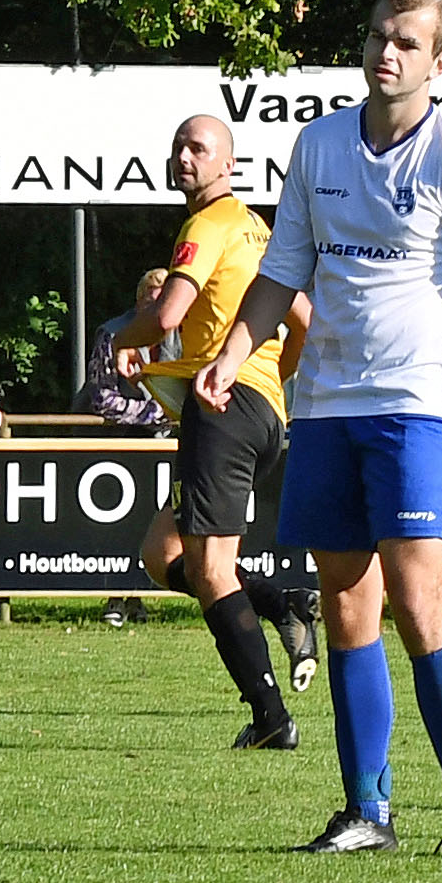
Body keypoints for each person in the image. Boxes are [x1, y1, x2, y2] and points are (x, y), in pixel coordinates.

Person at [199, 0, 442, 858]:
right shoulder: (319, 146)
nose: (387, 51)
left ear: (440, 62)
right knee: (347, 609)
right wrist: (231, 354)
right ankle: (366, 812)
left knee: (421, 603)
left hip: (414, 408)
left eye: (407, 41)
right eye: (379, 33)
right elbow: (281, 273)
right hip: (324, 408)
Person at [133, 110, 319, 746]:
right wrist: (273, 380)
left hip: (222, 408)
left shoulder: (207, 223)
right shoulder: (256, 231)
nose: (186, 157)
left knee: (212, 568)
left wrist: (117, 339)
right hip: (259, 411)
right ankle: (281, 602)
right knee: (163, 555)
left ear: (228, 164)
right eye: (179, 145)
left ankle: (270, 719)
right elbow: (304, 317)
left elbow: (165, 317)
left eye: (200, 148)